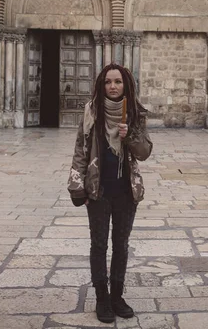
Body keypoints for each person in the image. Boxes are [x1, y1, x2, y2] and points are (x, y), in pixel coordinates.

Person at [68, 64, 153, 323]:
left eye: (117, 81)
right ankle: (102, 299)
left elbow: (145, 152)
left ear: (126, 84)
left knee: (121, 245)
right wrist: (76, 184)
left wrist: (131, 137)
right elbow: (81, 149)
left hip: (126, 192)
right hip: (98, 190)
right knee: (99, 245)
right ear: (101, 85)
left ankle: (117, 296)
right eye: (108, 82)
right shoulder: (92, 111)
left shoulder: (135, 113)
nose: (113, 86)